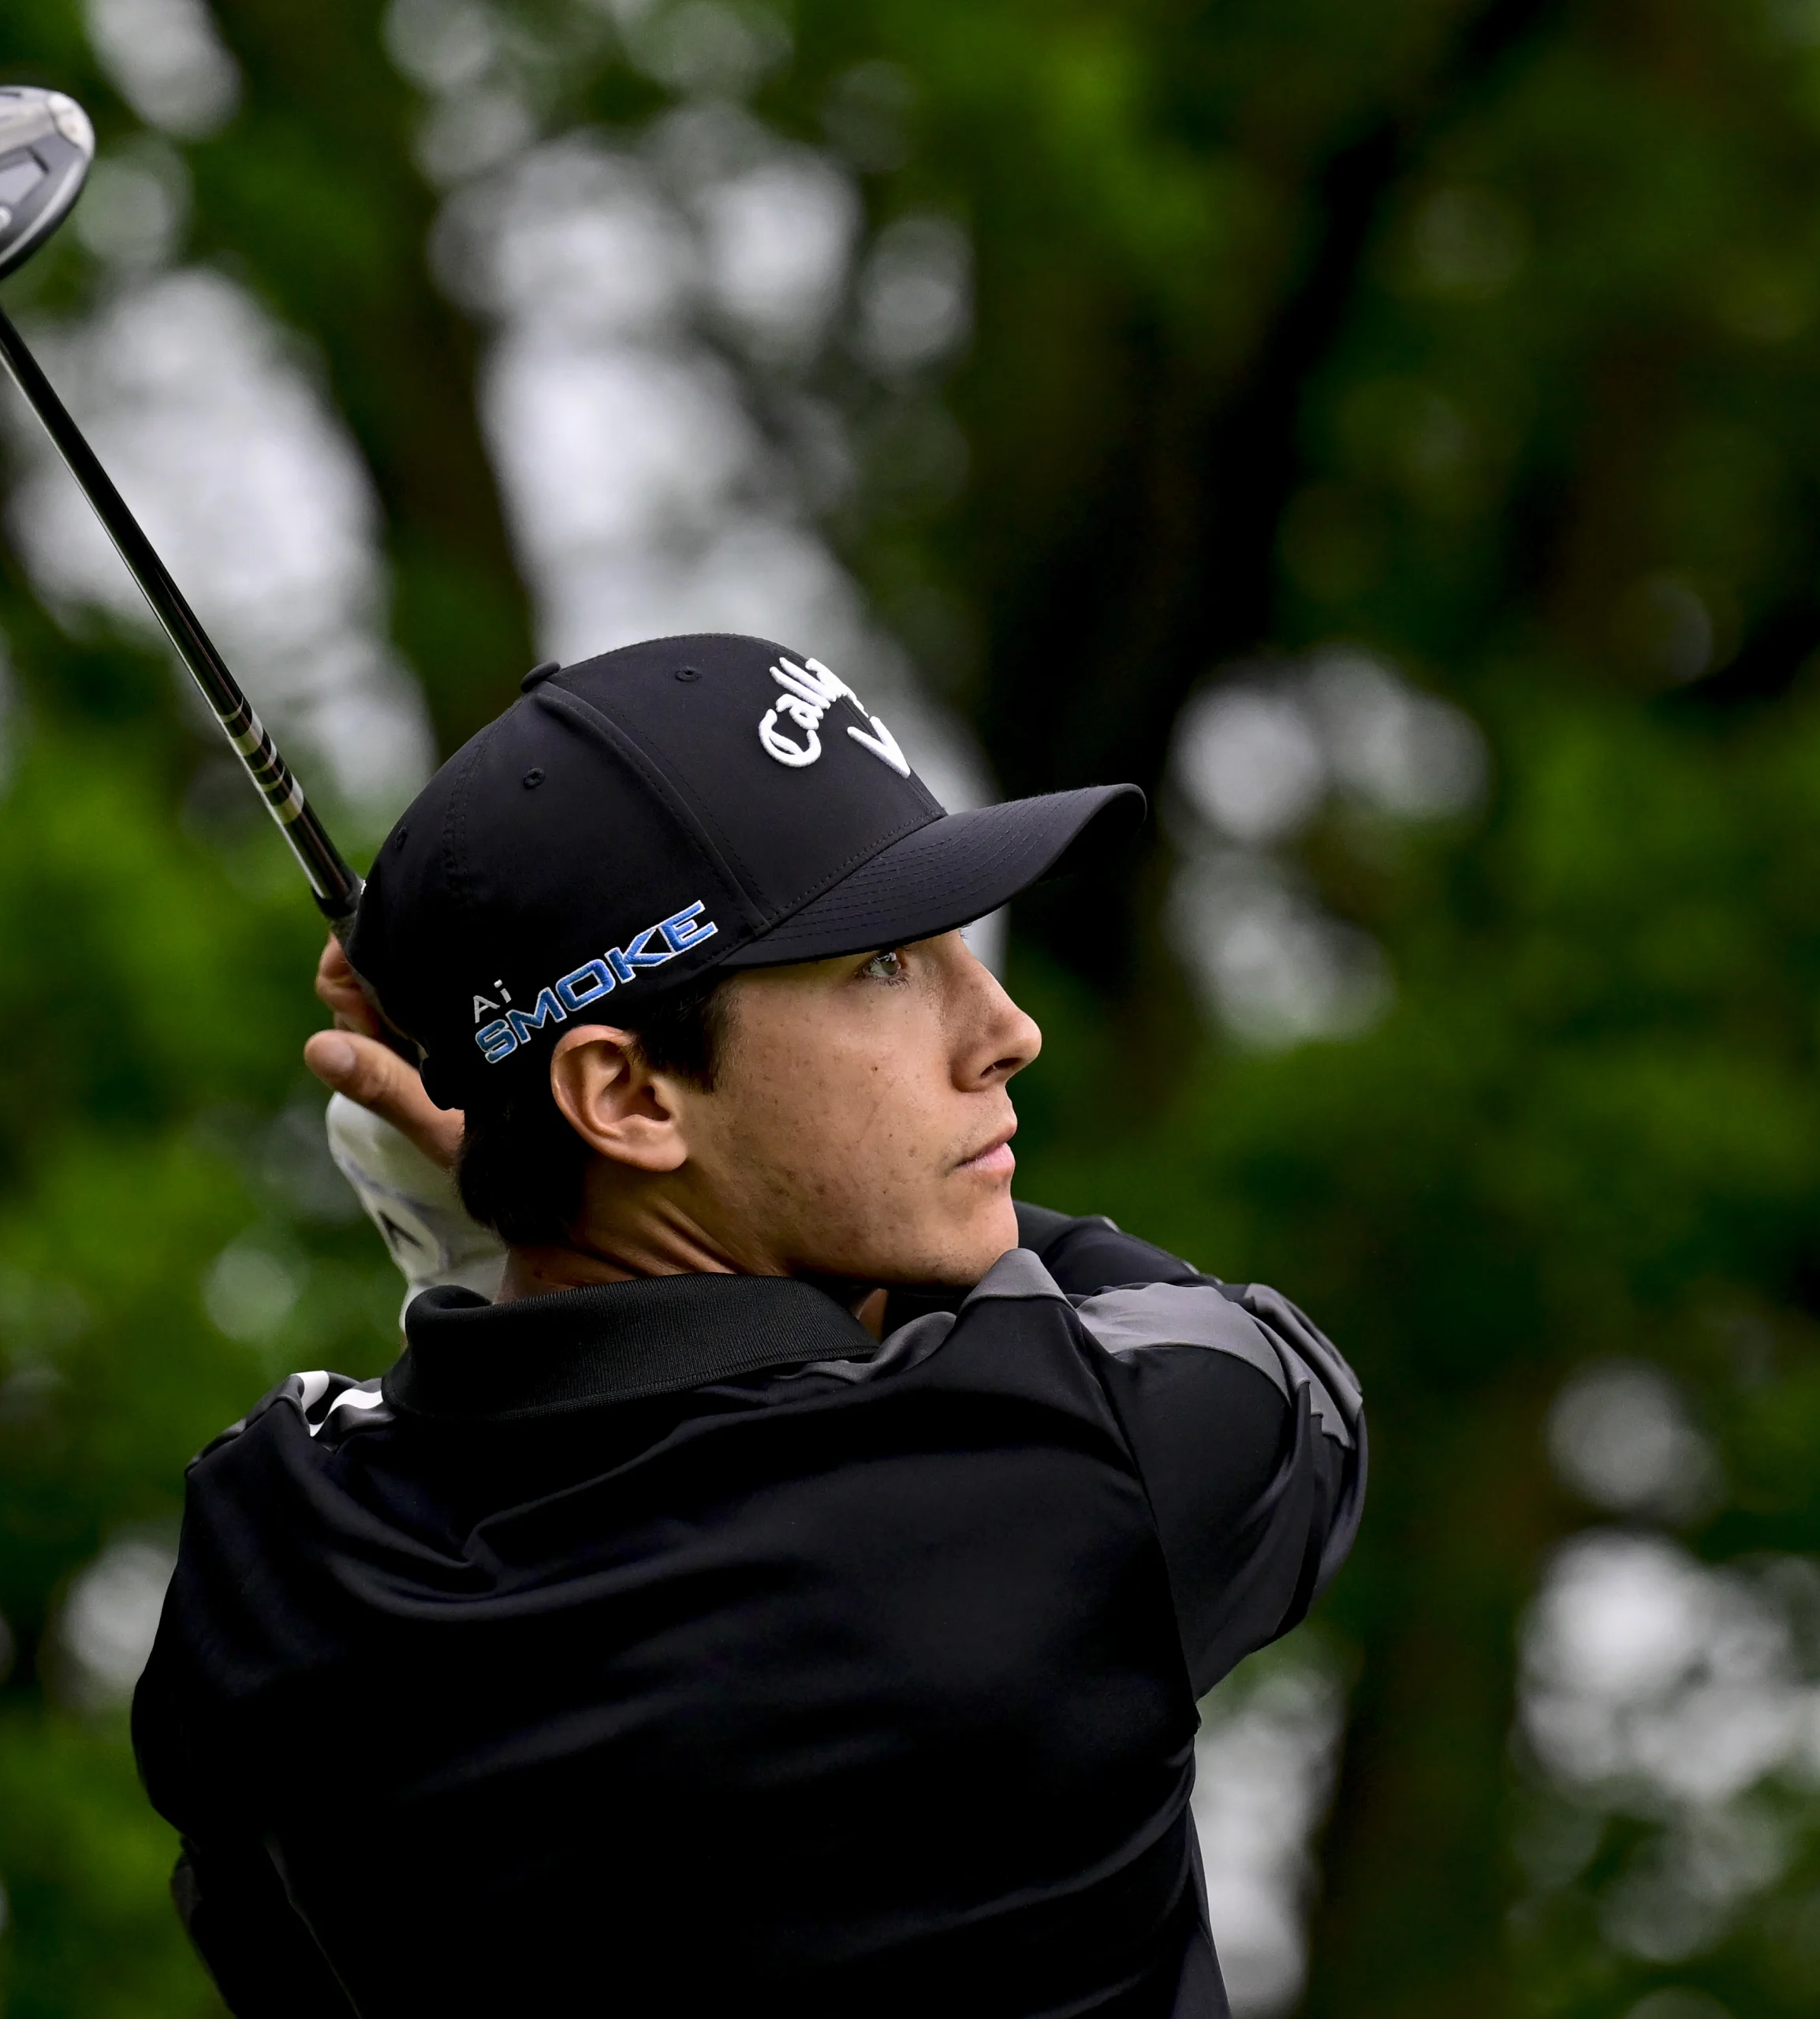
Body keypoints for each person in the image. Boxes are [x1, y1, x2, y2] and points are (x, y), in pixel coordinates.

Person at [131, 633, 1367, 2017]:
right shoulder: (1057, 1478)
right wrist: (497, 1215)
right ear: (633, 1099)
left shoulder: (265, 1569)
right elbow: (1286, 1379)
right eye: (885, 963)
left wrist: (519, 1205)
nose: (1003, 1028)